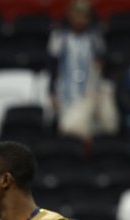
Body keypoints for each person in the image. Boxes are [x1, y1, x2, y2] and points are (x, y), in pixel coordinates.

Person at [48, 0, 117, 142]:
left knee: (93, 129)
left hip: (89, 91)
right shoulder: (59, 37)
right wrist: (52, 92)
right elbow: (52, 66)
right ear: (69, 16)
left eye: (84, 16)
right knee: (69, 129)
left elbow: (103, 62)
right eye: (76, 15)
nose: (80, 19)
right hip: (66, 91)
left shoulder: (95, 38)